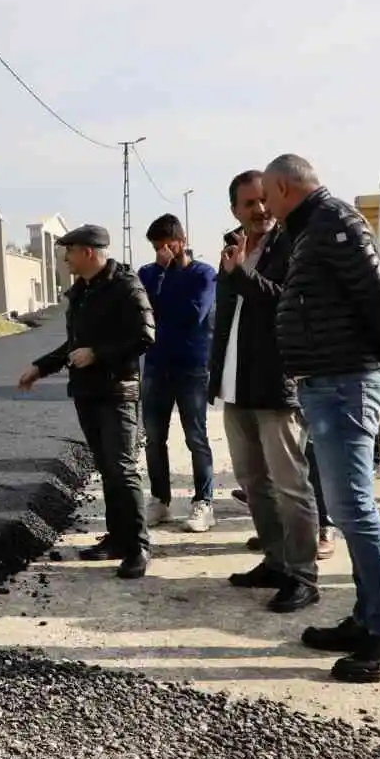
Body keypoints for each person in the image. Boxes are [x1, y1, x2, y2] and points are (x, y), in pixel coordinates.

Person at [264, 153, 380, 683]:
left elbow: (378, 291)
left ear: (285, 186)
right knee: (347, 507)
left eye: (267, 196)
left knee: (355, 510)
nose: (265, 207)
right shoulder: (310, 228)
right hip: (328, 381)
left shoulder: (333, 222)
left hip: (346, 382)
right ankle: (367, 618)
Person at [210, 171, 320, 613]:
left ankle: (303, 575)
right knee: (253, 482)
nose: (258, 210)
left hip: (277, 385)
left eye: (262, 201)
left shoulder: (294, 243)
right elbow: (225, 317)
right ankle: (275, 561)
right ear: (235, 210)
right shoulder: (235, 250)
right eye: (247, 204)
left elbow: (288, 299)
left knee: (290, 485)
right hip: (237, 385)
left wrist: (240, 277)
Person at [18, 224, 155, 579]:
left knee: (122, 468)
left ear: (89, 253)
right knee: (107, 468)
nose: (66, 258)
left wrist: (98, 354)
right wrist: (40, 367)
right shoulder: (82, 292)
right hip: (87, 393)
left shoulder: (126, 286)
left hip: (117, 392)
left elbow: (145, 336)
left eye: (70, 251)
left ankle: (138, 546)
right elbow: (72, 346)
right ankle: (117, 538)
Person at [137, 214, 219, 532]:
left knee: (195, 437)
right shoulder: (149, 273)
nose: (161, 252)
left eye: (165, 246)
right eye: (156, 247)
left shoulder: (203, 274)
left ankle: (204, 502)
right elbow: (145, 310)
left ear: (181, 241)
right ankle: (160, 500)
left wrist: (166, 296)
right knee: (154, 439)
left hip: (191, 367)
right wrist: (161, 272)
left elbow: (193, 314)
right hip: (157, 366)